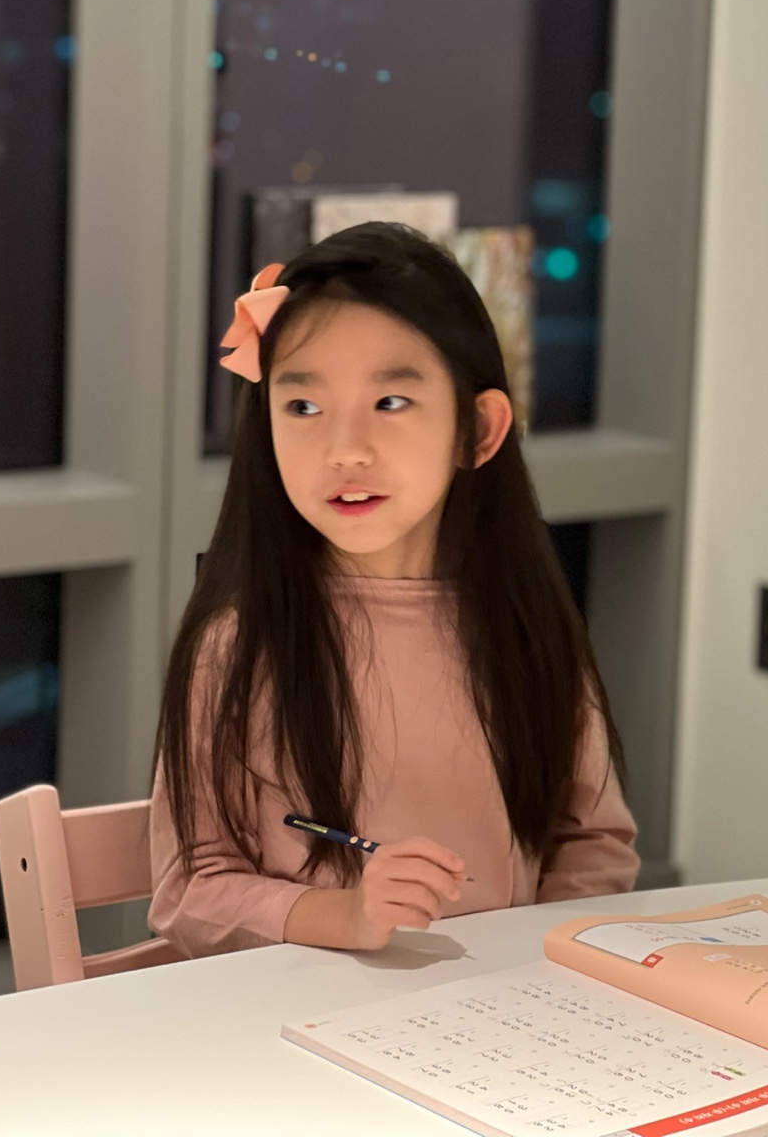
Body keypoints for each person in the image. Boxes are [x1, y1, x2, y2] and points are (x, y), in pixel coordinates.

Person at [149, 222, 638, 958]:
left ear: (478, 429)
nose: (345, 450)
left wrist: (535, 967)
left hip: (505, 1009)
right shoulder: (238, 644)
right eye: (303, 407)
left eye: (390, 402)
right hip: (300, 1011)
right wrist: (346, 916)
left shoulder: (528, 630)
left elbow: (591, 842)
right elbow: (190, 890)